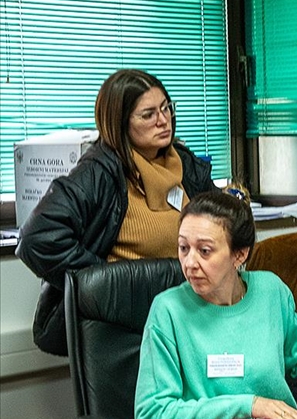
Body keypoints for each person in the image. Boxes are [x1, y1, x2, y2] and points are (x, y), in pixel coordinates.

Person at [16, 69, 218, 356]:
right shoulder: (99, 171)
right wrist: (106, 282)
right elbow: (36, 238)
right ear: (120, 123)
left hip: (190, 314)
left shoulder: (185, 163)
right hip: (127, 328)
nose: (164, 120)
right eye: (148, 115)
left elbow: (223, 226)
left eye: (166, 108)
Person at [135, 190, 297, 419]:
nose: (189, 263)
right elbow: (153, 414)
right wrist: (249, 406)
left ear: (240, 254)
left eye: (204, 251)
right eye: (183, 248)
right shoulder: (167, 311)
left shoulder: (269, 291)